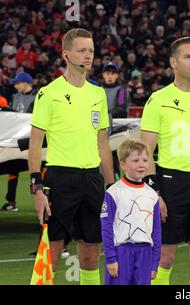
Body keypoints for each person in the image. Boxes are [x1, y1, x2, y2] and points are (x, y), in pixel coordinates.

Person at [28, 28, 115, 285]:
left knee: (90, 249)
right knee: (52, 250)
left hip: (91, 179)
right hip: (60, 178)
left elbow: (102, 142)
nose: (88, 56)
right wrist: (36, 188)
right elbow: (35, 142)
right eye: (82, 50)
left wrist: (111, 185)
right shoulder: (48, 93)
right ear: (66, 54)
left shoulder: (97, 94)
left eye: (91, 50)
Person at [140, 37, 190, 285]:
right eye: (188, 56)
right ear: (173, 62)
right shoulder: (158, 99)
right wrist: (154, 193)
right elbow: (145, 151)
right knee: (165, 256)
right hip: (169, 182)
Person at [101, 139, 161, 285]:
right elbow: (106, 227)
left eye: (145, 160)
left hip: (145, 254)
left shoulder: (152, 194)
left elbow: (157, 230)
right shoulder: (114, 192)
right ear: (123, 164)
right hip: (121, 253)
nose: (141, 164)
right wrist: (111, 258)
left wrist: (154, 262)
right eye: (135, 160)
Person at [1, 72, 37, 212]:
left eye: (17, 83)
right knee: (12, 170)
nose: (15, 86)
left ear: (25, 83)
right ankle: (11, 201)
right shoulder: (15, 97)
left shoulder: (37, 97)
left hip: (31, 140)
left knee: (36, 172)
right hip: (16, 140)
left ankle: (40, 201)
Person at [101, 61, 130, 180]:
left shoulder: (122, 89)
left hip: (115, 128)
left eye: (113, 73)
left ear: (117, 75)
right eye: (107, 73)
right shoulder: (97, 89)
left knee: (113, 156)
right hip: (101, 127)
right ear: (103, 75)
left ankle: (116, 179)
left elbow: (121, 108)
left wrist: (104, 114)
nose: (110, 76)